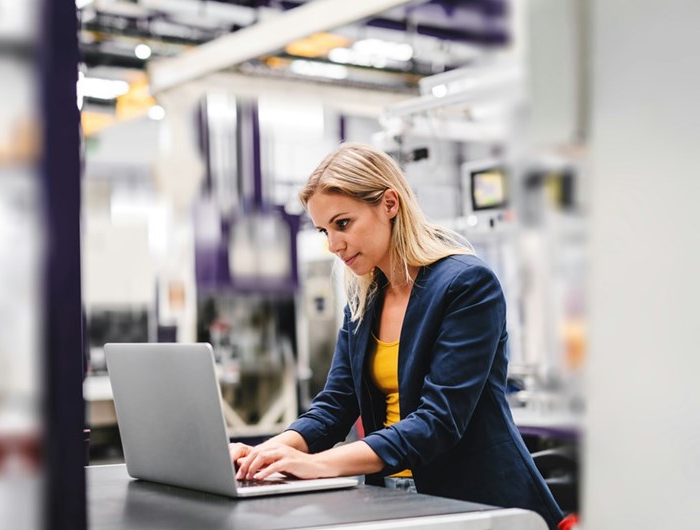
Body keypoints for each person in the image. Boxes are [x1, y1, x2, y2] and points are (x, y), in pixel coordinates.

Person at [229, 142, 564, 529]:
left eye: (342, 224)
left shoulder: (466, 285)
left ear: (389, 204)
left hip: (476, 501)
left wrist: (318, 465)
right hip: (391, 497)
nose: (333, 245)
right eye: (324, 230)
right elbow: (335, 405)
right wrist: (264, 455)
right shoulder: (364, 300)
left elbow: (437, 421)